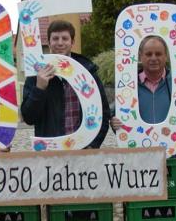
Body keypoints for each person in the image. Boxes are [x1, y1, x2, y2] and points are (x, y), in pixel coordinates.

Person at [21, 19, 111, 148]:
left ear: (72, 42)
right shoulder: (36, 74)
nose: (60, 43)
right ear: (49, 42)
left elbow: (104, 113)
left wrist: (93, 145)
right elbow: (28, 118)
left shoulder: (87, 71)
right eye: (55, 38)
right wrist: (39, 89)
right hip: (51, 151)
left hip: (82, 149)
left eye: (65, 38)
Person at [110, 35, 176, 130]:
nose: (154, 58)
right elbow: (116, 116)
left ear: (166, 56)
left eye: (158, 54)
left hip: (172, 142)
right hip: (137, 142)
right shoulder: (128, 85)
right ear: (140, 57)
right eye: (148, 54)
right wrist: (115, 124)